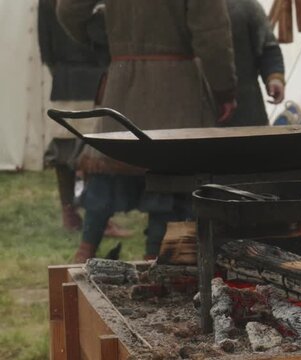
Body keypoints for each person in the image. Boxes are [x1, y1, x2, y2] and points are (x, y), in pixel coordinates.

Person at [57, 0, 237, 262]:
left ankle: (86, 251)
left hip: (121, 82)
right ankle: (156, 263)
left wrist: (103, 40)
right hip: (176, 89)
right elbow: (213, 35)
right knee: (170, 182)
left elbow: (68, 10)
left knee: (108, 174)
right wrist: (224, 89)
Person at [37, 0, 130, 237]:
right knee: (89, 150)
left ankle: (74, 212)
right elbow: (100, 35)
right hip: (92, 74)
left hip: (67, 74)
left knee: (67, 147)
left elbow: (45, 46)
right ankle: (91, 216)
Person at [224, 0, 285, 127]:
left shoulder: (245, 6)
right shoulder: (184, 6)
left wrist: (274, 77)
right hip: (197, 112)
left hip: (246, 109)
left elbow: (267, 47)